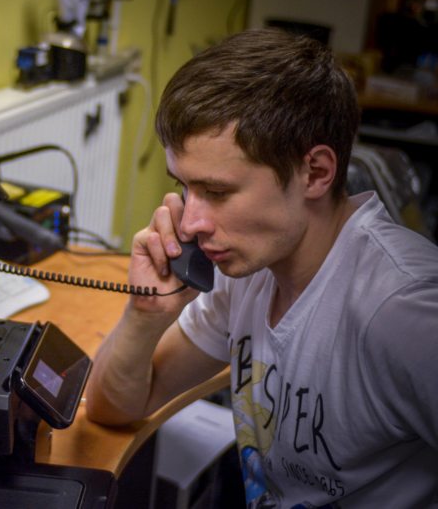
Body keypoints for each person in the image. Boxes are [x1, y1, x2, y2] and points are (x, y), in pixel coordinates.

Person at [84, 28, 438, 507]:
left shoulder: (407, 308)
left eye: (217, 192)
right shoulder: (248, 270)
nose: (190, 223)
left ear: (315, 172)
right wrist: (145, 314)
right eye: (185, 188)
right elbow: (115, 407)